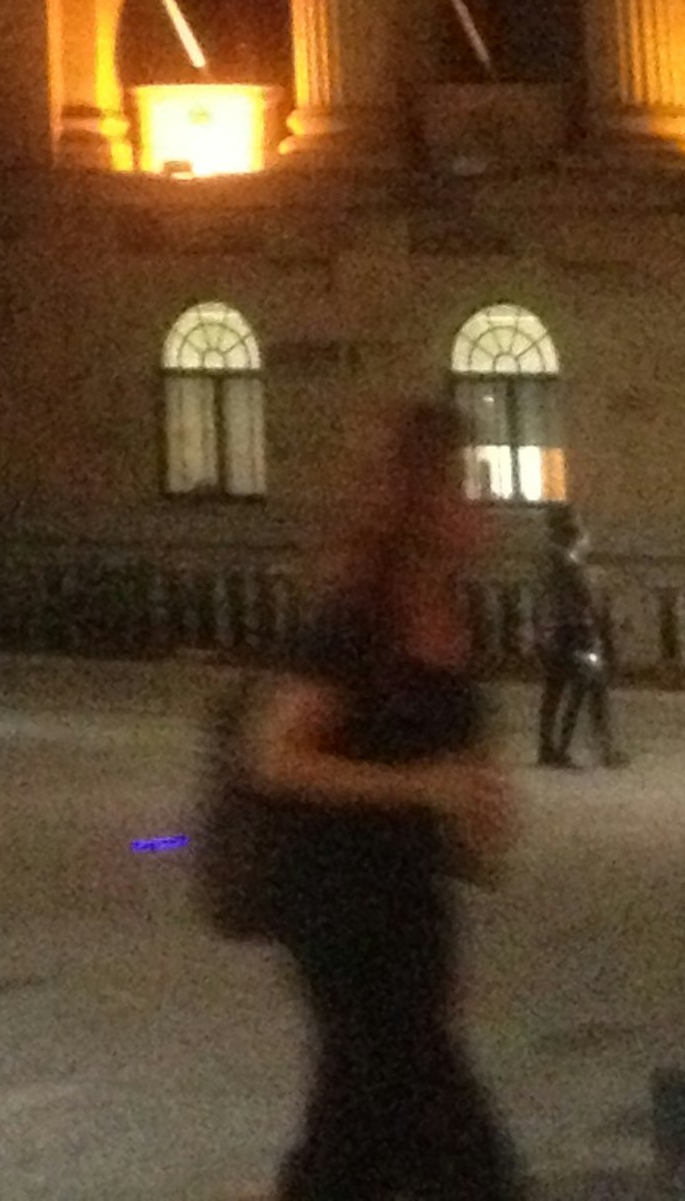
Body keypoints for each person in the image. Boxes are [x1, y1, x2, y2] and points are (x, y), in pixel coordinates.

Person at [245, 399, 524, 1201]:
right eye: (468, 483)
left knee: (352, 1138)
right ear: (421, 499)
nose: (484, 502)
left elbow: (458, 760)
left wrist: (481, 816)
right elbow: (275, 754)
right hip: (338, 908)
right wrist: (420, 785)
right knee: (456, 1150)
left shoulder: (452, 616)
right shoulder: (358, 616)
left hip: (408, 908)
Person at [536, 509, 614, 768]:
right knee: (587, 684)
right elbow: (584, 596)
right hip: (573, 633)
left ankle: (549, 747)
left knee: (556, 688)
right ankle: (573, 747)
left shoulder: (551, 559)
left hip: (554, 632)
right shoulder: (566, 562)